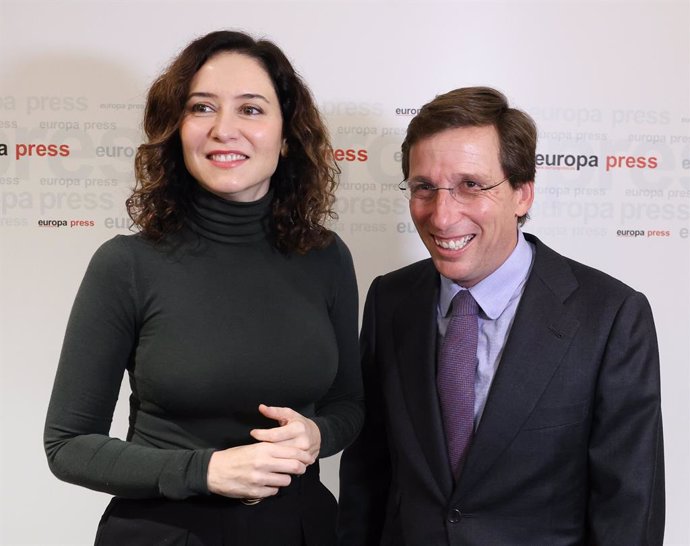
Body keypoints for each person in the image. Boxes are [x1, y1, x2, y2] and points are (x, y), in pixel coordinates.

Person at [44, 30, 363, 546]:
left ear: (286, 136)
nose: (224, 129)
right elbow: (68, 445)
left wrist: (317, 435)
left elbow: (350, 403)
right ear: (178, 129)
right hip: (166, 531)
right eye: (202, 107)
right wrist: (205, 471)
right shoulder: (127, 264)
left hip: (301, 529)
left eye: (251, 110)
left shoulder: (326, 257)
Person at [337, 86, 664, 545]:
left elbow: (630, 509)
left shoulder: (610, 316)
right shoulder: (390, 299)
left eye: (471, 185)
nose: (442, 215)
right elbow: (365, 479)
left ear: (522, 193)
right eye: (424, 188)